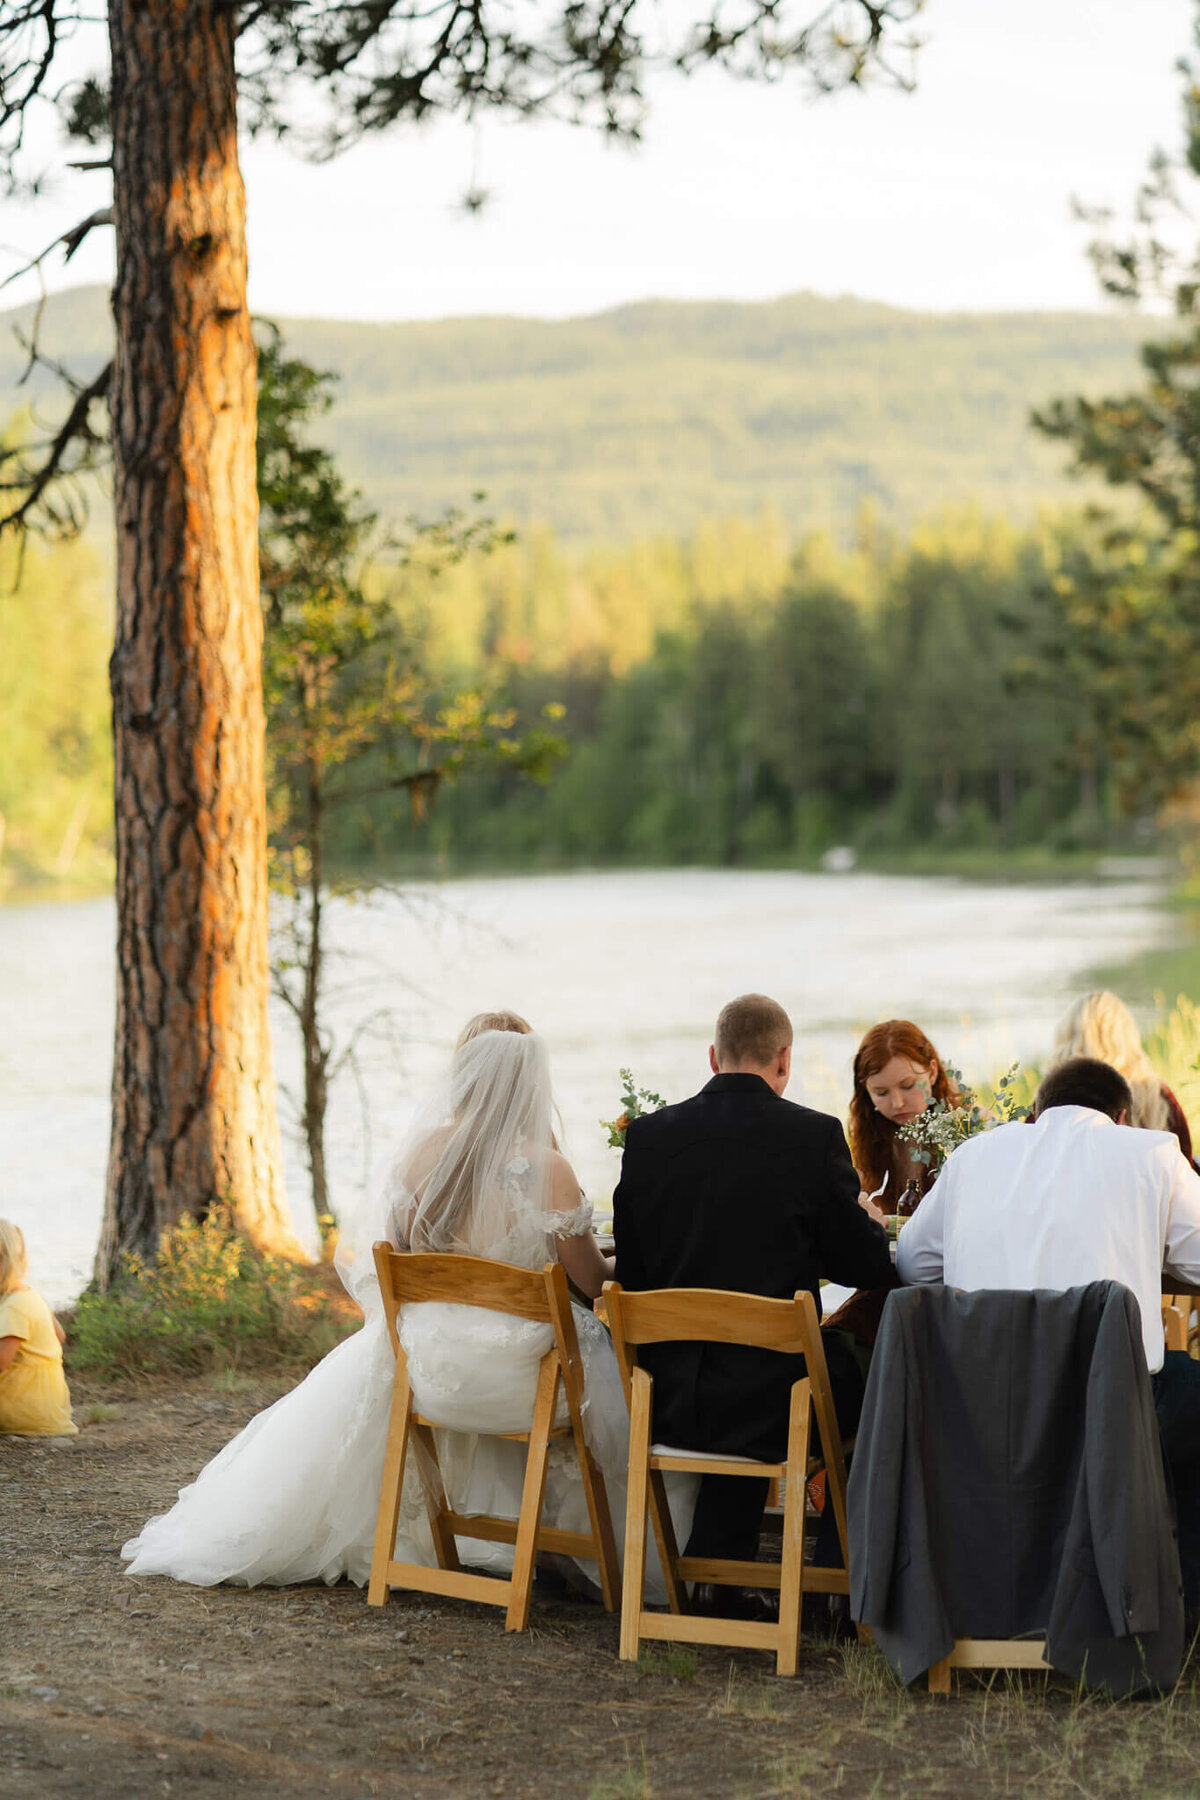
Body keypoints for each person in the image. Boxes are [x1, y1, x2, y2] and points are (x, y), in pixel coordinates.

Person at [124, 1023, 693, 1593]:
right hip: (517, 1384)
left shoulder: (420, 1154)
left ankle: (481, 1535)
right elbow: (593, 1281)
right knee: (605, 1370)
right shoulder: (549, 1168)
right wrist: (640, 1256)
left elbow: (396, 1255)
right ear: (528, 1087)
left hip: (428, 1369)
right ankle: (575, 1546)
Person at [612, 993, 892, 1613]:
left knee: (747, 1358)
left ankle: (719, 1576)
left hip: (665, 1401)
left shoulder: (650, 1138)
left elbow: (632, 1273)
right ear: (784, 1060)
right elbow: (869, 1267)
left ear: (714, 1058)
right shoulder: (812, 1137)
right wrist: (858, 1224)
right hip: (775, 1414)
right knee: (880, 1372)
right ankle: (840, 1588)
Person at [896, 1054, 1200, 1615]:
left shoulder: (972, 1156)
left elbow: (913, 1265)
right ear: (1123, 1115)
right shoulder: (1151, 1152)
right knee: (1186, 1390)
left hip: (981, 1413)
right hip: (1106, 1413)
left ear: (1035, 1113)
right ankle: (1168, 1607)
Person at [1048, 989, 1193, 1160]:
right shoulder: (1159, 1098)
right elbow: (1185, 1163)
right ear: (1128, 1036)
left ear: (1067, 1038)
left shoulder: (1050, 1100)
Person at [848, 1019, 962, 1211]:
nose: (897, 1103)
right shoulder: (867, 1142)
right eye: (881, 1092)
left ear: (932, 1072)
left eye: (908, 1086)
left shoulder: (968, 1127)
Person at [0, 1220, 77, 1438]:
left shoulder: (14, 1307)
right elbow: (59, 1335)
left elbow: (1, 1361)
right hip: (47, 1413)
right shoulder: (30, 1296)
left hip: (22, 1416)